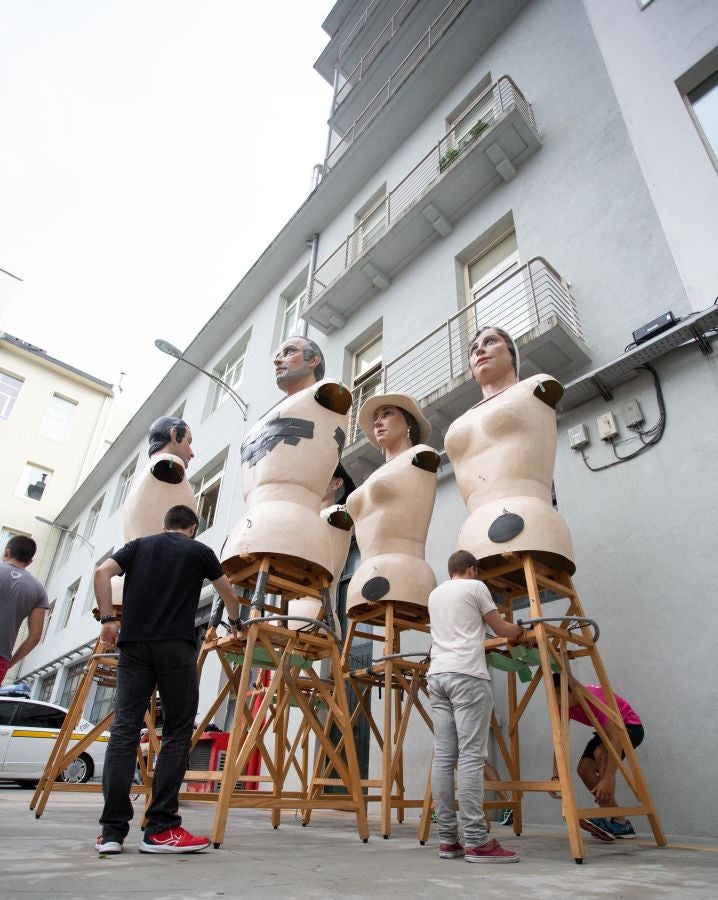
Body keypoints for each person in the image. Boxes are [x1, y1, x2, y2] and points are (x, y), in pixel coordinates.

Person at [93, 504, 241, 855]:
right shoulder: (199, 550)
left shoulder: (139, 546)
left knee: (125, 730)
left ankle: (111, 833)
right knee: (176, 732)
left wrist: (107, 619)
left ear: (166, 524)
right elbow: (229, 593)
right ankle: (161, 829)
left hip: (134, 646)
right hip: (175, 646)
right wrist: (234, 623)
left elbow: (102, 572)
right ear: (192, 527)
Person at [221, 335, 352, 613]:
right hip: (250, 525)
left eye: (289, 351)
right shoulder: (265, 418)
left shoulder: (328, 394)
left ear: (314, 359)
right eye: (277, 354)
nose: (277, 359)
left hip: (294, 524)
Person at [444, 325, 575, 575]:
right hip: (473, 532)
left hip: (529, 515)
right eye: (473, 350)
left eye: (490, 341)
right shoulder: (458, 423)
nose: (480, 350)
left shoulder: (536, 386)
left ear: (511, 353)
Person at [427, 549, 524, 863]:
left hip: (437, 676)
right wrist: (520, 631)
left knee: (444, 758)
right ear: (471, 569)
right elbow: (500, 629)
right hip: (467, 675)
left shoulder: (435, 594)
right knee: (471, 756)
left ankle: (447, 840)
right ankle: (477, 841)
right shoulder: (476, 587)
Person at [345, 392, 440, 619]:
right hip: (363, 576)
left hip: (404, 570)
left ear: (409, 423)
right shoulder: (373, 476)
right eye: (376, 416)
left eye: (387, 414)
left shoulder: (420, 456)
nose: (378, 422)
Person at [549, 672, 644, 841]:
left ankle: (605, 816)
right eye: (553, 694)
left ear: (571, 692)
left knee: (601, 753)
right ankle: (620, 823)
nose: (557, 700)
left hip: (628, 726)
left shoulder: (592, 700)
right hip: (604, 731)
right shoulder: (562, 705)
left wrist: (608, 778)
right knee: (584, 769)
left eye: (559, 695)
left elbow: (615, 737)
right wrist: (556, 775)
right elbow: (560, 740)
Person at [123, 415, 197, 543]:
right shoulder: (168, 463)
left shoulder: (141, 479)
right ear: (174, 435)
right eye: (188, 441)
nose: (192, 453)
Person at [0, 536, 49, 685]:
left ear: (6, 552)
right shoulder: (38, 590)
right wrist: (9, 663)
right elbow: (35, 636)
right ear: (29, 561)